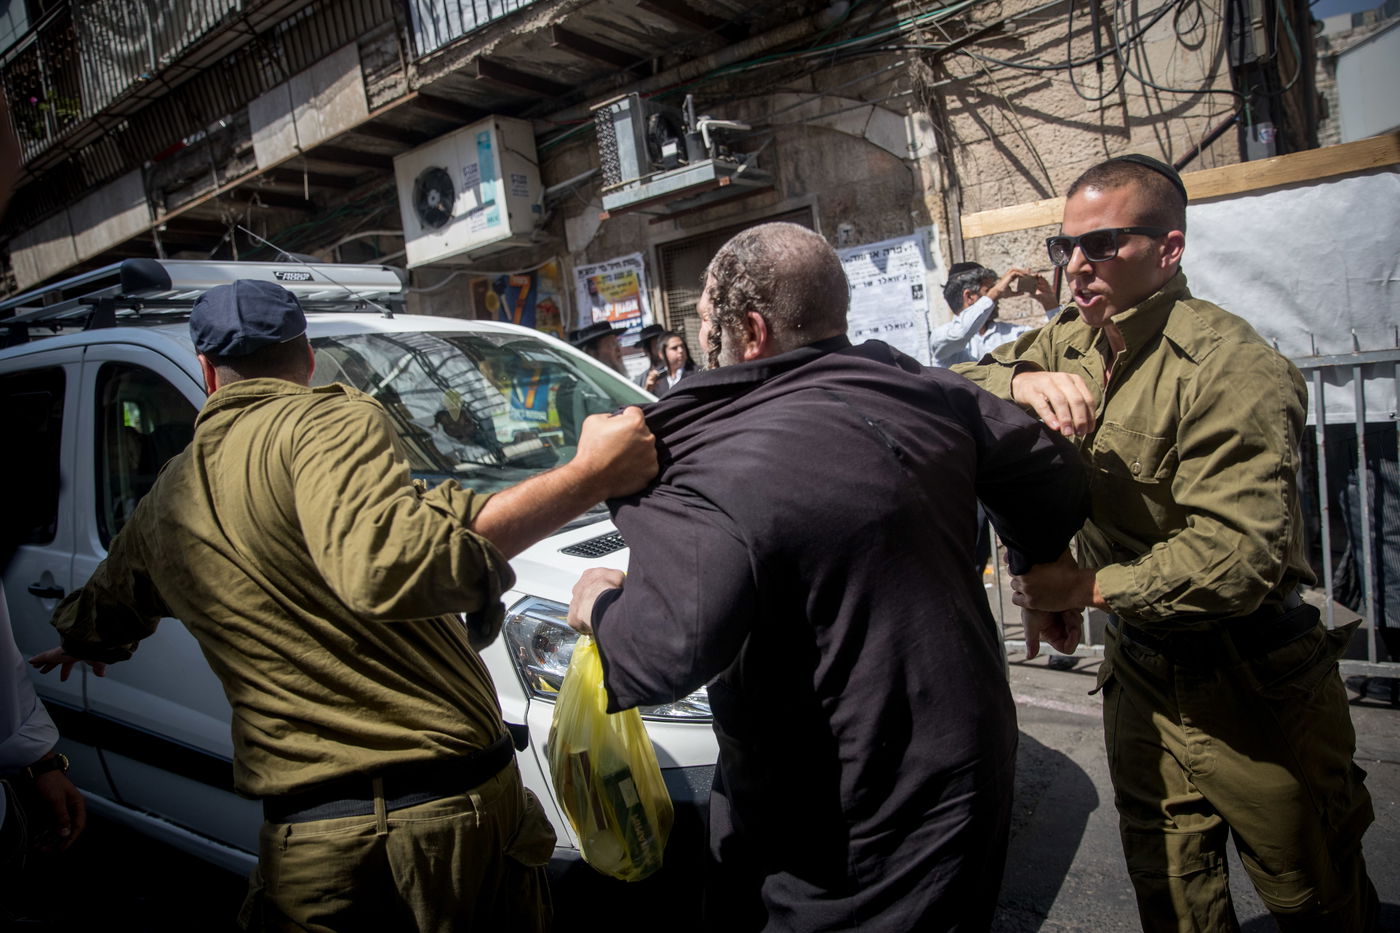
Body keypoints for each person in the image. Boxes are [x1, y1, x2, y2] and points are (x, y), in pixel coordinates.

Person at [29, 279, 659, 931]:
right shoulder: (326, 420)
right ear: (305, 358)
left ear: (207, 371)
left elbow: (106, 602)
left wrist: (81, 641)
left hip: (312, 846)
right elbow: (387, 564)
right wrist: (590, 475)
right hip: (442, 832)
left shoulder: (169, 498)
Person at [566, 222, 1088, 931]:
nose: (703, 348)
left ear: (748, 331)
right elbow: (1048, 476)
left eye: (708, 328)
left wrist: (597, 604)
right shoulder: (921, 389)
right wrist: (1038, 569)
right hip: (970, 767)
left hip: (845, 820)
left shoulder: (718, 451)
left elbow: (665, 649)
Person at [955, 154, 1380, 931]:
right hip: (1144, 666)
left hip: (1253, 678)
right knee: (1172, 892)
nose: (1076, 266)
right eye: (1065, 248)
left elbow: (1239, 555)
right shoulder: (1071, 342)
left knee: (1313, 891)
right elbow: (952, 385)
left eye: (1103, 244)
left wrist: (1084, 590)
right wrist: (1017, 384)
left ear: (1170, 249)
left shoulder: (1230, 365)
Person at [929, 261, 1057, 367]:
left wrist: (1050, 304)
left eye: (995, 291)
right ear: (969, 296)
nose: (997, 297)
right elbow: (961, 333)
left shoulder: (1014, 334)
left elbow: (1054, 346)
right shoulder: (941, 337)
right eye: (989, 291)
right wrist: (995, 292)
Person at [641, 331, 695, 396]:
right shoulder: (656, 379)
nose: (681, 350)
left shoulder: (698, 372)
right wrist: (647, 391)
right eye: (674, 348)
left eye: (682, 346)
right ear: (661, 354)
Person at [632, 322, 668, 387]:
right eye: (658, 345)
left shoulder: (680, 372)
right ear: (646, 350)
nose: (663, 348)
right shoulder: (640, 381)